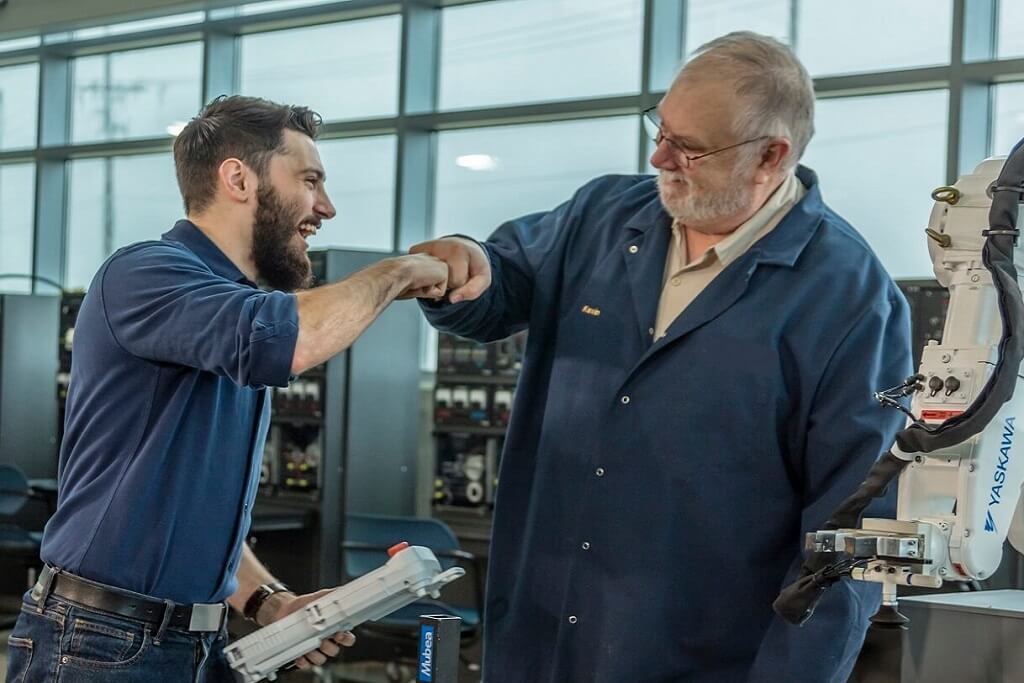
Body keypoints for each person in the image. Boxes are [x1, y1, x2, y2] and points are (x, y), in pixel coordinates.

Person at [412, 32, 912, 682]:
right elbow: (502, 281)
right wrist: (462, 262)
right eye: (660, 128)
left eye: (689, 148)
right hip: (539, 643)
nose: (658, 156)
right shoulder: (603, 217)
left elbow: (849, 540)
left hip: (696, 657)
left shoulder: (848, 297)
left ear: (772, 155)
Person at [5, 95, 448, 683]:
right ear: (238, 178)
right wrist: (400, 271)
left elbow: (190, 511)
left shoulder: (230, 312)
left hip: (193, 643)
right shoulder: (146, 273)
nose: (326, 207)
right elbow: (293, 338)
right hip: (99, 643)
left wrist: (271, 602)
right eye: (310, 180)